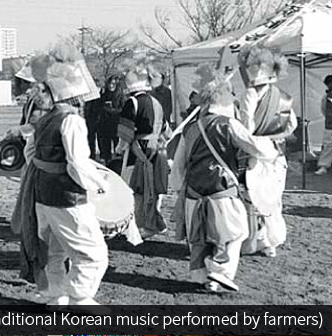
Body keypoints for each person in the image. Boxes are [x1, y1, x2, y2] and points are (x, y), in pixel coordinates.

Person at [12, 48, 110, 313]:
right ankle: (80, 297)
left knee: (53, 249)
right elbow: (77, 163)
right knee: (93, 253)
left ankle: (56, 296)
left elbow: (30, 154)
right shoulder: (72, 120)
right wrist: (98, 184)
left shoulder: (46, 118)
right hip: (67, 196)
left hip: (42, 193)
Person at [169, 67, 278, 292]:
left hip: (193, 192)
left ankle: (201, 276)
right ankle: (220, 273)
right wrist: (272, 149)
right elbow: (256, 148)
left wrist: (179, 189)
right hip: (221, 189)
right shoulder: (228, 124)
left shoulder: (190, 128)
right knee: (235, 232)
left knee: (199, 236)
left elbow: (179, 164)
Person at [235, 46, 297, 257]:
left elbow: (247, 127)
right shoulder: (283, 96)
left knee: (253, 197)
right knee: (272, 196)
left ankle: (257, 239)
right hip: (276, 152)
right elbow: (291, 126)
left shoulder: (249, 94)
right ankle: (272, 241)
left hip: (255, 152)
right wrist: (274, 136)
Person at [114, 59, 169, 238]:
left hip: (138, 151)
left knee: (135, 188)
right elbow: (166, 130)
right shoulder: (156, 102)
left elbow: (125, 133)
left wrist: (120, 148)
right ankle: (153, 222)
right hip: (157, 149)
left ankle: (140, 225)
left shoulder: (132, 102)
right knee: (153, 187)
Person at [85, 76, 122, 164]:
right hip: (104, 124)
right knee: (105, 147)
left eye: (113, 84)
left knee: (117, 146)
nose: (111, 86)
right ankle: (107, 161)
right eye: (109, 83)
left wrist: (112, 110)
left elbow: (123, 109)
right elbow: (98, 107)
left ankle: (117, 163)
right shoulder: (104, 95)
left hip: (116, 124)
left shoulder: (120, 96)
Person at [316, 75, 332, 175]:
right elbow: (323, 110)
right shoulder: (325, 97)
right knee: (328, 146)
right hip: (330, 125)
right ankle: (323, 166)